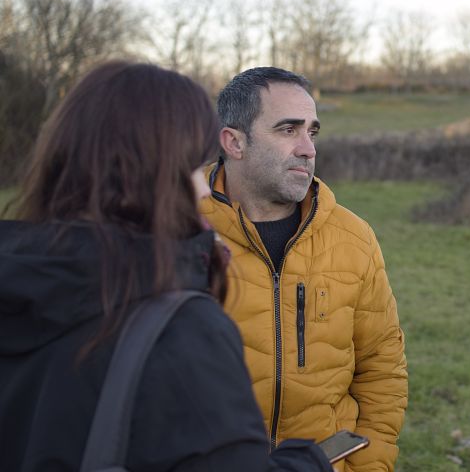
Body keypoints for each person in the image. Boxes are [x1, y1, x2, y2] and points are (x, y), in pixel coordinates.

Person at [0, 61, 333, 471]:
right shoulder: (175, 325)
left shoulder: (20, 284)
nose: (202, 188)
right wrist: (308, 462)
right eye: (193, 167)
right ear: (154, 175)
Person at [199, 67, 407, 472]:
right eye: (288, 130)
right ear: (234, 142)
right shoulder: (178, 235)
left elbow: (382, 367)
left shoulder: (354, 238)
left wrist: (369, 466)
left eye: (312, 132)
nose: (308, 149)